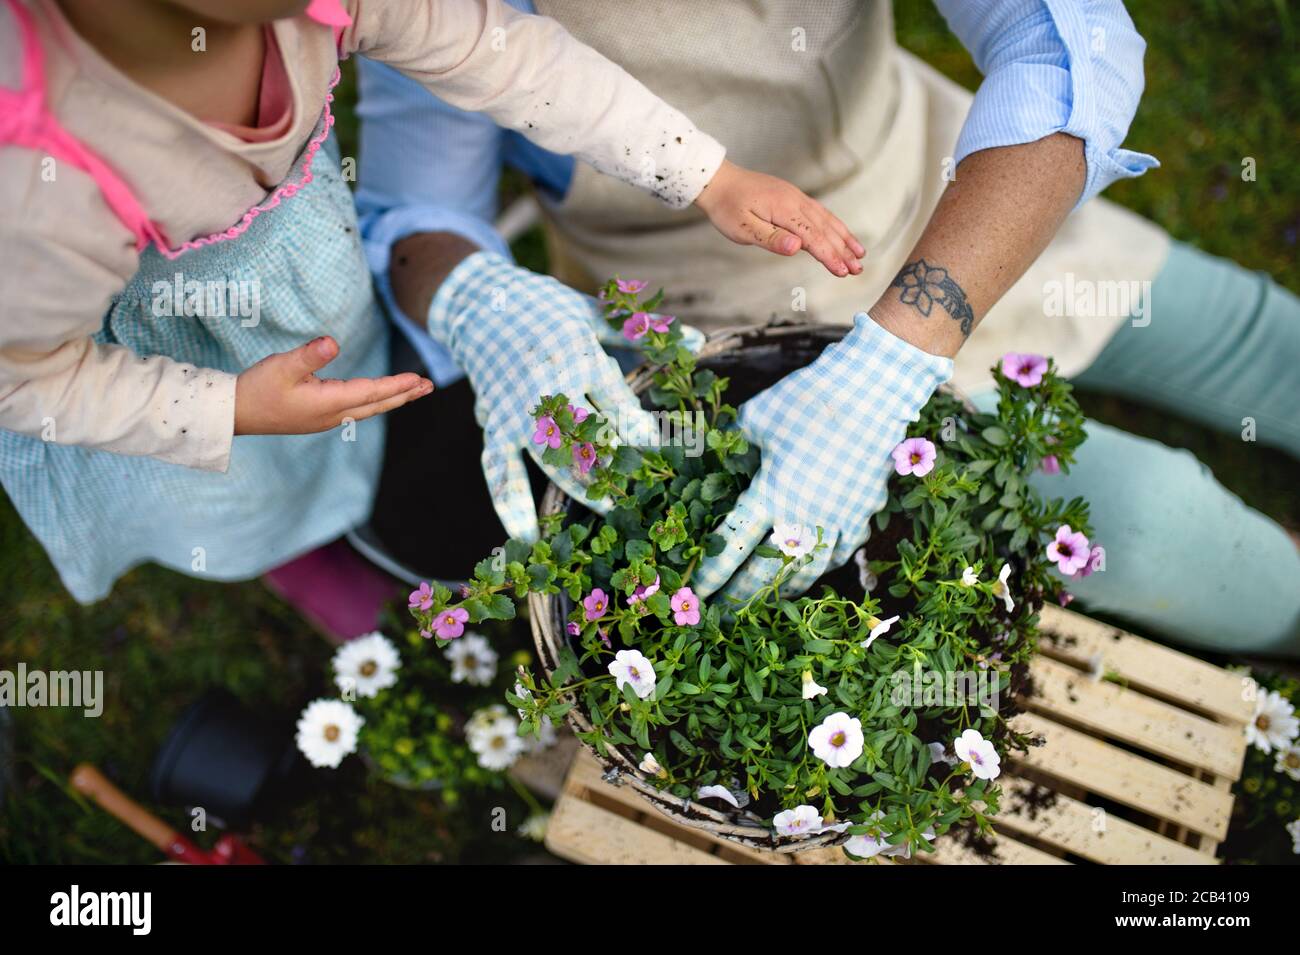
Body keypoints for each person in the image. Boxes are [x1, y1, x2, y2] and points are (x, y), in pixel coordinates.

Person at [357, 0, 1300, 655]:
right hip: (738, 331)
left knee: (1268, 344)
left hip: (961, 189)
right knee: (1158, 517)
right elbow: (413, 212)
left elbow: (1069, 45)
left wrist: (896, 357)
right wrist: (476, 293)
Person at [0, 0, 859, 604]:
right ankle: (292, 562)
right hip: (173, 371)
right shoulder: (44, 192)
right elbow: (24, 380)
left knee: (354, 432)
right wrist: (226, 407)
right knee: (235, 501)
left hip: (311, 307)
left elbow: (508, 57)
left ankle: (338, 504)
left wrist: (704, 174)